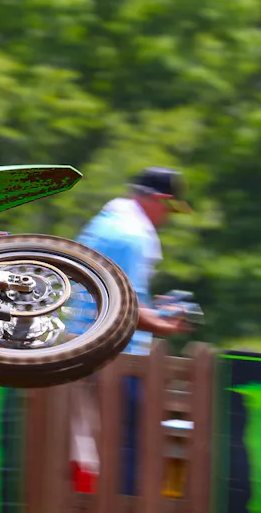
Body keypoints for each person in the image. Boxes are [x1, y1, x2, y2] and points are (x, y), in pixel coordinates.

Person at [67, 166, 196, 494]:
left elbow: (109, 293)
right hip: (116, 359)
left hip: (81, 348)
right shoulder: (134, 235)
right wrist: (166, 323)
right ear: (161, 199)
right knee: (127, 451)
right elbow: (124, 305)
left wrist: (154, 309)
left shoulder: (103, 224)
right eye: (170, 208)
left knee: (87, 449)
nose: (168, 217)